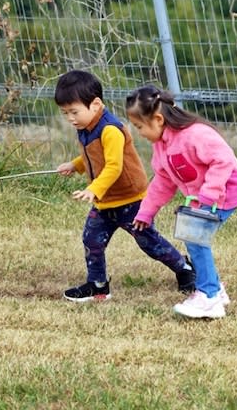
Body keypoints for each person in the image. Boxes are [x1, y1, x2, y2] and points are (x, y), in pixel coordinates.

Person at [54, 70, 195, 302]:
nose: (70, 118)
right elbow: (93, 157)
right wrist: (75, 165)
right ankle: (98, 286)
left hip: (131, 200)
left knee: (148, 241)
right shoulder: (85, 129)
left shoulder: (111, 130)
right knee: (91, 240)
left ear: (96, 104)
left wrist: (93, 189)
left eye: (74, 111)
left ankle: (184, 268)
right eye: (65, 113)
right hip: (105, 202)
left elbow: (113, 166)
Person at [126, 85, 237, 319]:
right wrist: (146, 212)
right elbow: (162, 181)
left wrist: (209, 196)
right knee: (193, 237)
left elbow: (222, 160)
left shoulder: (195, 134)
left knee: (195, 238)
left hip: (226, 192)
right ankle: (214, 289)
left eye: (140, 126)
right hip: (203, 198)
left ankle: (209, 297)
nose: (139, 133)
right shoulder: (161, 146)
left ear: (158, 119)